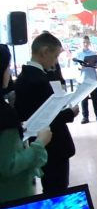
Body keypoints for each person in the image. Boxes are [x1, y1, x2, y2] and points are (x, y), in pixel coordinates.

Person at [14, 32, 78, 193]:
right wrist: (70, 112)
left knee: (53, 186)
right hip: (53, 146)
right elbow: (47, 117)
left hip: (45, 145)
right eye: (55, 56)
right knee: (57, 189)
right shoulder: (38, 81)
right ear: (44, 52)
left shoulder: (28, 76)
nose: (56, 62)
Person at [0, 44, 53, 202]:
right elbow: (8, 166)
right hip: (11, 197)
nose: (9, 73)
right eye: (7, 67)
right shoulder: (4, 114)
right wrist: (40, 143)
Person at [75, 35, 97, 124]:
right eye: (84, 42)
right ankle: (85, 117)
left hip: (93, 78)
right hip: (82, 79)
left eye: (87, 42)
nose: (85, 44)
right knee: (84, 99)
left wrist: (96, 64)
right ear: (81, 43)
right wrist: (81, 66)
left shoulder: (93, 53)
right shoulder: (78, 54)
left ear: (89, 43)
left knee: (95, 98)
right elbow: (75, 66)